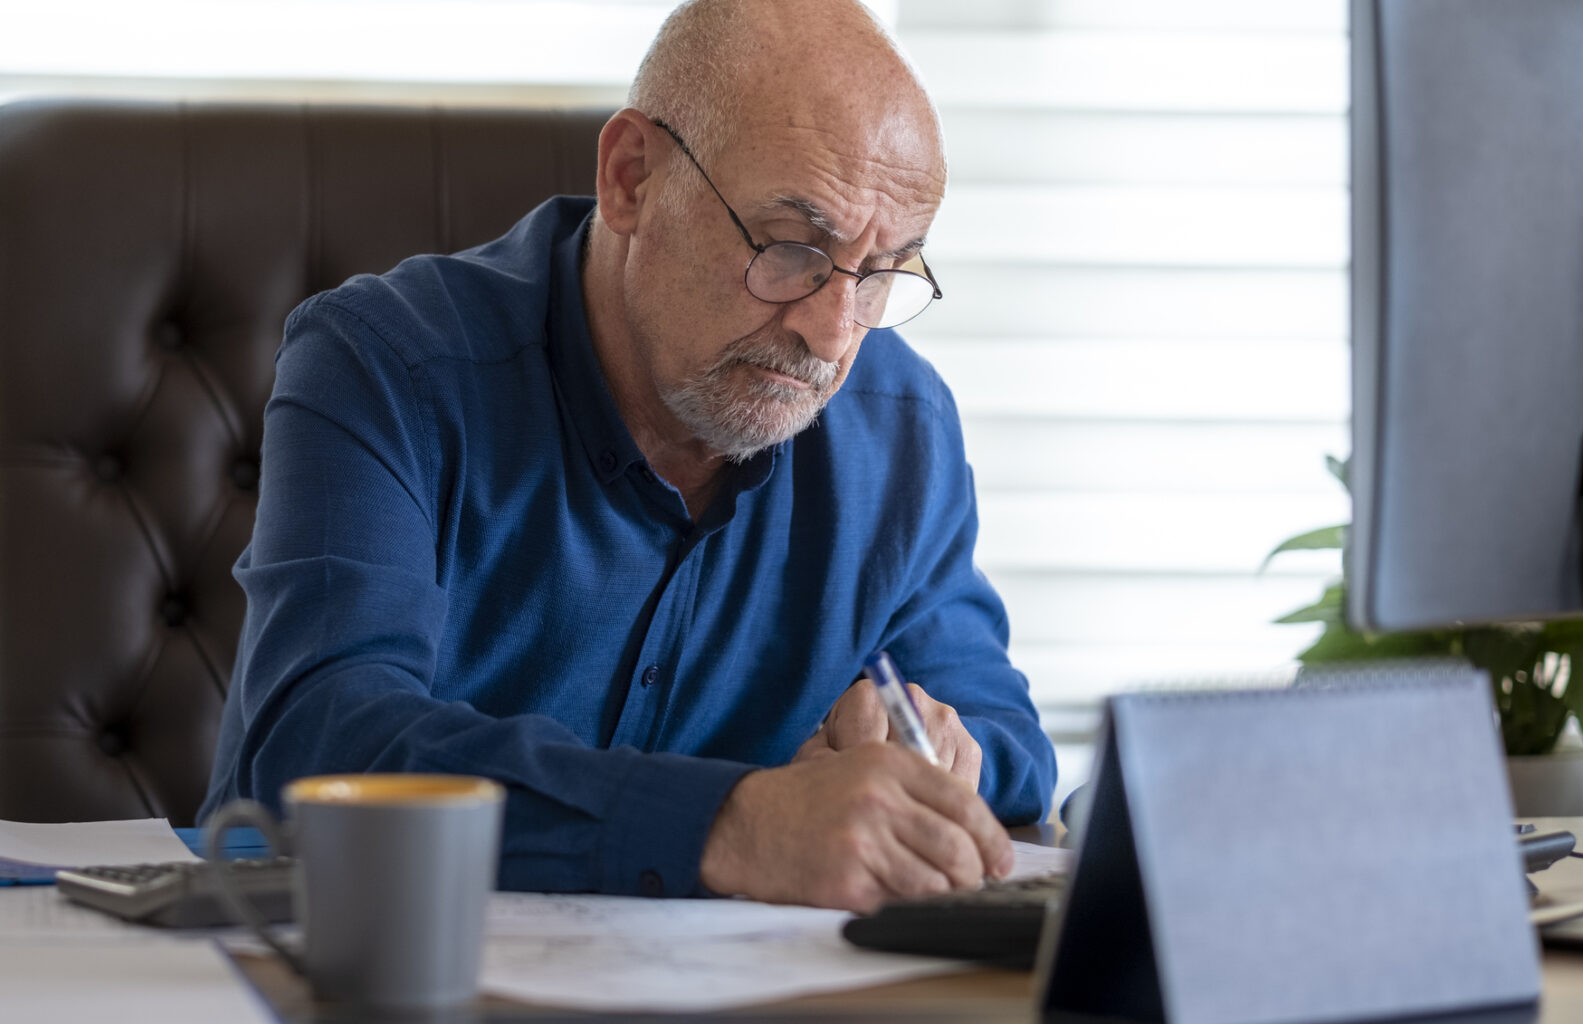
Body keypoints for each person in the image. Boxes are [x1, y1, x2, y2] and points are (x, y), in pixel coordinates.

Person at [201, 0, 1054, 912]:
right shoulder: (383, 363)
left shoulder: (901, 428)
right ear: (631, 179)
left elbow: (1013, 745)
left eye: (883, 271)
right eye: (793, 246)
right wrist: (732, 824)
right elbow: (322, 738)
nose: (833, 333)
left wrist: (928, 752)